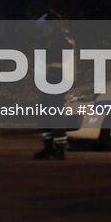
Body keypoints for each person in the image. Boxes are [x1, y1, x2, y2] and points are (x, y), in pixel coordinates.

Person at [33, 14, 72, 161]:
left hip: (56, 84)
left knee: (56, 118)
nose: (44, 30)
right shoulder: (45, 41)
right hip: (45, 84)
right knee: (44, 117)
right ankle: (48, 147)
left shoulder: (62, 43)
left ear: (53, 27)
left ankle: (59, 149)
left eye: (46, 27)